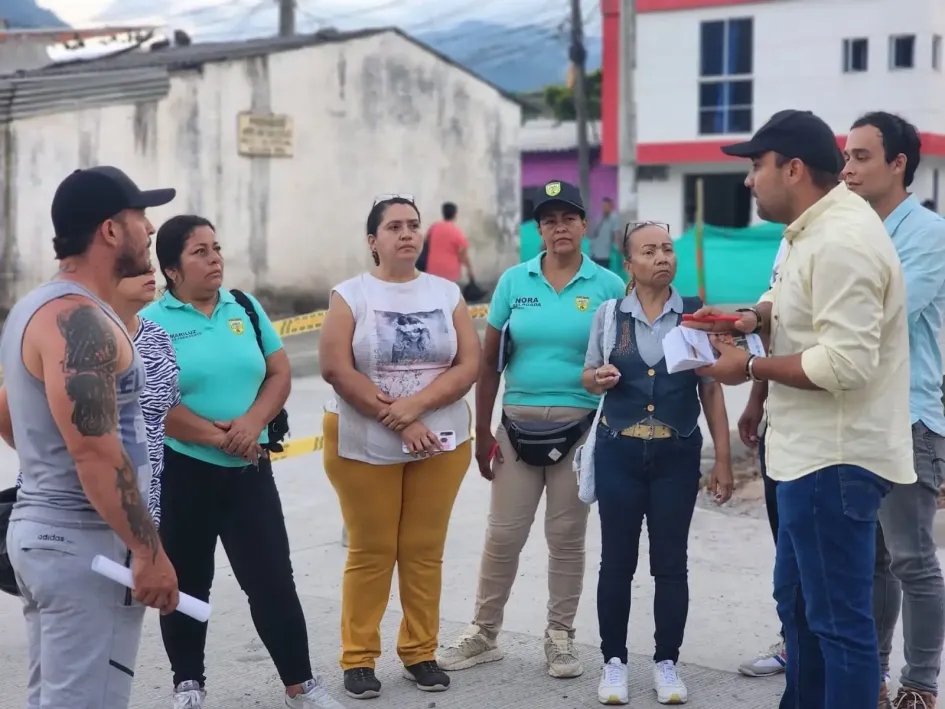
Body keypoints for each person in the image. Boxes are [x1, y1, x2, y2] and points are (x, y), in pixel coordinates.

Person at [689, 109, 916, 709]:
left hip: (833, 462)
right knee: (800, 612)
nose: (748, 181)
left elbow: (846, 364)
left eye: (756, 166)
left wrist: (751, 367)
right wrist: (751, 318)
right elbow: (788, 301)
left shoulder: (842, 240)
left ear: (792, 169)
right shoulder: (809, 233)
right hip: (803, 457)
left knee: (839, 627)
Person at [142, 215, 344, 709]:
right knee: (188, 581)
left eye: (216, 248)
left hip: (249, 471)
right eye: (200, 252)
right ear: (171, 269)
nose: (215, 259)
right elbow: (158, 404)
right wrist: (224, 438)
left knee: (273, 579)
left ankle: (301, 684)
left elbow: (277, 372)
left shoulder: (245, 308)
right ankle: (188, 684)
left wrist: (252, 423)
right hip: (185, 471)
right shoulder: (150, 322)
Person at [1, 166, 180, 709]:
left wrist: (46, 466)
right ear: (109, 230)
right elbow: (96, 452)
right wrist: (148, 552)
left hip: (55, 535)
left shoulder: (39, 306)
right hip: (85, 542)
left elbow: (8, 409)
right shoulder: (79, 321)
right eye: (139, 218)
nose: (149, 229)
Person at [436, 180, 626, 679]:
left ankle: (560, 637)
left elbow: (625, 359)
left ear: (585, 225)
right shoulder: (513, 284)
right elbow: (488, 365)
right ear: (538, 229)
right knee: (502, 536)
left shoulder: (608, 286)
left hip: (581, 429)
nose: (559, 228)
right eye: (548, 220)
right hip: (516, 429)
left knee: (566, 537)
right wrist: (483, 433)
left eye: (568, 218)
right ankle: (484, 632)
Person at [319, 195, 480, 699]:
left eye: (413, 225)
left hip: (442, 438)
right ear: (374, 241)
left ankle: (420, 652)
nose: (407, 233)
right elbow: (336, 368)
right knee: (372, 551)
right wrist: (398, 419)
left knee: (423, 551)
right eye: (394, 227)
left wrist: (417, 408)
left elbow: (468, 364)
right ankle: (359, 659)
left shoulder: (446, 291)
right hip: (364, 440)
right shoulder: (350, 295)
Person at [583, 221, 733, 705]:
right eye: (649, 251)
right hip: (619, 451)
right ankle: (614, 662)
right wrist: (598, 378)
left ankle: (667, 661)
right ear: (628, 265)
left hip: (676, 452)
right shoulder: (609, 315)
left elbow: (710, 389)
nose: (662, 257)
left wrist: (723, 460)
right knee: (617, 563)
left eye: (668, 249)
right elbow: (587, 375)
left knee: (671, 564)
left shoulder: (693, 315)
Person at [843, 111, 945, 709]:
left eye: (860, 157)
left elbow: (888, 317)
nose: (848, 168)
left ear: (898, 163)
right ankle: (874, 678)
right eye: (846, 157)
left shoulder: (926, 232)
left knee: (912, 560)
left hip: (908, 417)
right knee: (873, 562)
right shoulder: (855, 228)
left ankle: (919, 685)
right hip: (859, 415)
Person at [12, 268, 182, 527]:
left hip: (142, 517)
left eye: (148, 262)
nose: (150, 271)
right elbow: (7, 413)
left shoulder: (158, 338)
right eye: (135, 266)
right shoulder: (64, 335)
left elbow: (161, 418)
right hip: (67, 519)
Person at [736, 235, 791, 680]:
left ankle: (881, 670)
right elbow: (772, 325)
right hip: (781, 422)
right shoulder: (789, 242)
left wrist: (750, 368)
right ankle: (794, 641)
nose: (752, 180)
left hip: (828, 435)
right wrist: (758, 398)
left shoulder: (850, 235)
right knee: (786, 548)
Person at [424, 201, 474, 284]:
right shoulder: (457, 232)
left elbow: (425, 242)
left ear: (443, 213)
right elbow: (463, 255)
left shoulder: (434, 227)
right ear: (455, 214)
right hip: (450, 273)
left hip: (433, 269)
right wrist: (469, 270)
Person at [589, 197, 621, 269]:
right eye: (603, 206)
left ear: (610, 207)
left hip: (605, 254)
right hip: (594, 253)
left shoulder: (614, 217)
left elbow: (616, 234)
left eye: (606, 206)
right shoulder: (599, 217)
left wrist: (618, 249)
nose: (604, 208)